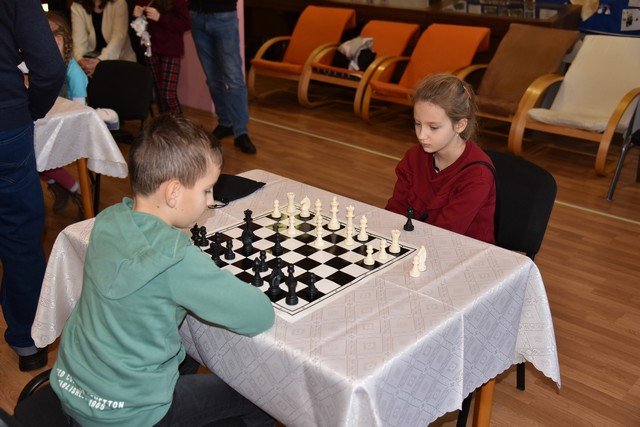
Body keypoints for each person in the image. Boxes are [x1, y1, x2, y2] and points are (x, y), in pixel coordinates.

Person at [50, 114, 276, 426]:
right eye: (207, 190)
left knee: (188, 355)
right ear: (173, 193)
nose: (211, 201)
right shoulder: (176, 259)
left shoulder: (108, 220)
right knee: (261, 399)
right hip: (131, 414)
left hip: (74, 386)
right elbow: (258, 315)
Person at [0, 0, 66, 371]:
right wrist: (32, 110)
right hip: (6, 124)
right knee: (19, 235)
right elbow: (49, 65)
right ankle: (28, 341)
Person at [386, 74, 496, 243]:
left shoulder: (477, 176)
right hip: (415, 243)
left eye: (433, 127)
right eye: (418, 124)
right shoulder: (414, 157)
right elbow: (394, 211)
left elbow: (443, 236)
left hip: (461, 251)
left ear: (460, 125)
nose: (422, 135)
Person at [189, 0, 257, 154]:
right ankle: (225, 122)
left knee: (234, 79)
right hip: (197, 15)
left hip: (224, 15)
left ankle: (241, 132)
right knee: (213, 79)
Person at [42, 11, 87, 218]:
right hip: (51, 122)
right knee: (33, 157)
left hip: (71, 127)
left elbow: (78, 114)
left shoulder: (74, 72)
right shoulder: (45, 65)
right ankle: (59, 186)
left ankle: (77, 190)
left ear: (59, 40)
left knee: (39, 159)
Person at [132, 0, 190, 115]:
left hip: (170, 49)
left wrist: (160, 18)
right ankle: (165, 124)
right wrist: (136, 15)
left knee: (168, 94)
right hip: (150, 47)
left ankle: (180, 125)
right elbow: (139, 25)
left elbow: (185, 23)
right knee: (159, 94)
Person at [71, 0, 136, 77]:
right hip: (90, 63)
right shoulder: (77, 5)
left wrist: (100, 61)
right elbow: (78, 41)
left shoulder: (119, 3)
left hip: (121, 61)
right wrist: (81, 61)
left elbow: (118, 38)